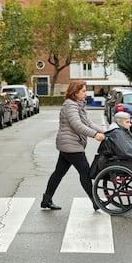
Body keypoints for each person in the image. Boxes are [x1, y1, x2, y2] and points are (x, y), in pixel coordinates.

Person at [41, 80, 106, 210]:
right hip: (71, 145)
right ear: (75, 92)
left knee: (59, 173)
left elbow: (88, 123)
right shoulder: (70, 106)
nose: (85, 93)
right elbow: (77, 125)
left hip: (68, 144)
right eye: (83, 91)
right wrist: (94, 135)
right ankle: (95, 202)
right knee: (85, 172)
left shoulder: (78, 105)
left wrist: (105, 132)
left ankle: (46, 200)